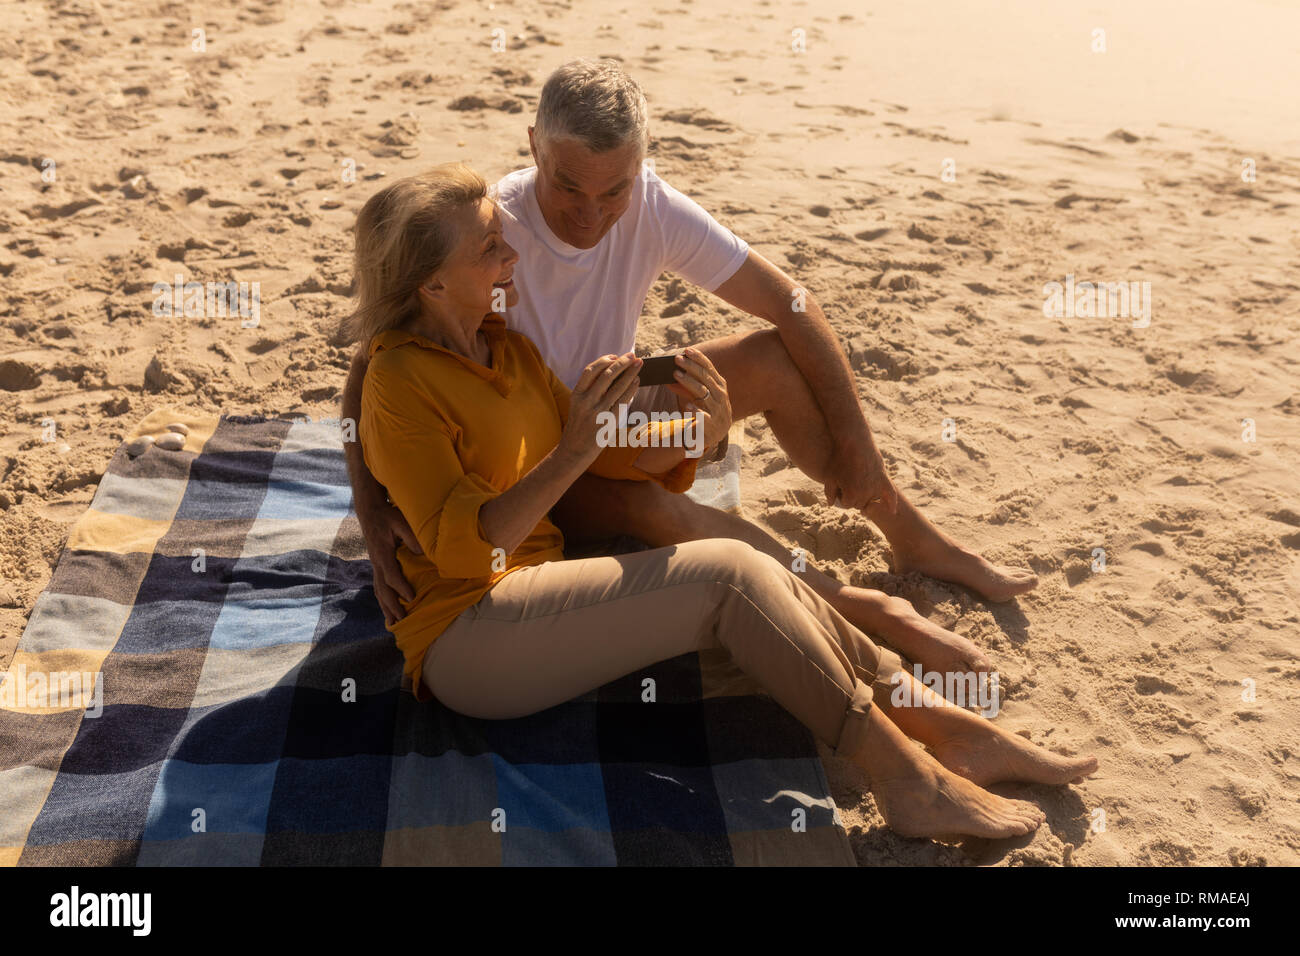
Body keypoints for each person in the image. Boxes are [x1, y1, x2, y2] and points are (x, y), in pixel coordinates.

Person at [349, 163, 1097, 842]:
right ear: (431, 285)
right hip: (470, 639)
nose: (511, 257)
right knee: (727, 575)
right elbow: (468, 548)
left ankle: (944, 727)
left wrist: (696, 435)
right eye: (489, 250)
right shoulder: (400, 384)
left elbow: (603, 452)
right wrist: (571, 449)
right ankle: (908, 777)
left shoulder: (504, 347)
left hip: (537, 596)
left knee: (747, 571)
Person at [340, 59, 1034, 681]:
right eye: (569, 186)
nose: (592, 214)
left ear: (640, 165)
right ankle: (856, 604)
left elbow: (794, 305)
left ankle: (904, 529)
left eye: (614, 191)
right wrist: (372, 515)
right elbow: (374, 356)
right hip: (542, 459)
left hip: (607, 407)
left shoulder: (649, 204)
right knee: (653, 506)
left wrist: (862, 457)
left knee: (770, 357)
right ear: (534, 147)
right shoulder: (489, 229)